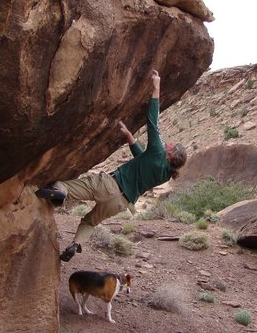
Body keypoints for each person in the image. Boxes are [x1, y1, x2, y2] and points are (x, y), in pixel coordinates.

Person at [36, 69, 187, 261]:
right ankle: (75, 244)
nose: (168, 143)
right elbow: (142, 158)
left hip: (109, 185)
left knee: (66, 185)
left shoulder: (158, 151)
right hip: (119, 204)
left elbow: (152, 121)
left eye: (171, 145)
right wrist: (129, 136)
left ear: (171, 153)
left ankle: (60, 193)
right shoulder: (165, 173)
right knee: (89, 222)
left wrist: (156, 86)